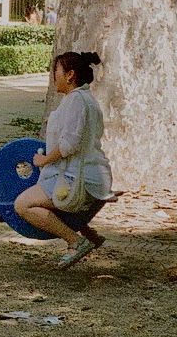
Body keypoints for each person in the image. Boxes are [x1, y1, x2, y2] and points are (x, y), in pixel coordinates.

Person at [15, 51, 113, 268]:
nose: (53, 76)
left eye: (55, 71)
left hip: (79, 178)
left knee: (22, 204)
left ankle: (75, 242)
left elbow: (69, 145)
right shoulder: (84, 99)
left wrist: (44, 160)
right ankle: (87, 235)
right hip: (88, 173)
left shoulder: (76, 100)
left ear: (70, 74)